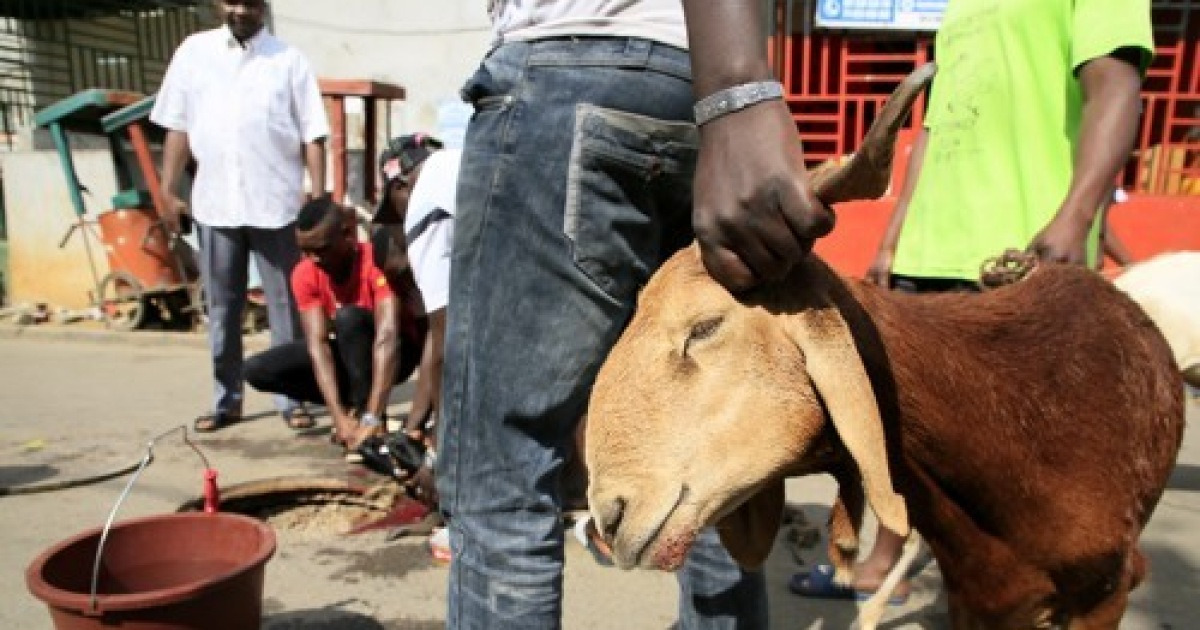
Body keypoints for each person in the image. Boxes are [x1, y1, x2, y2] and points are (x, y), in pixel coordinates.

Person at [436, 1, 832, 628]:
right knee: (710, 460)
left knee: (505, 476)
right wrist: (734, 88)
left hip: (567, 66)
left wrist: (739, 88)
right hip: (695, 82)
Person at [798, 0, 1153, 604]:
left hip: (1022, 251)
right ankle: (883, 565)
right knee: (902, 436)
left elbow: (1115, 88)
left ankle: (1008, 594)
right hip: (928, 251)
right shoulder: (959, 6)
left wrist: (1074, 219)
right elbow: (933, 133)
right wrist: (894, 240)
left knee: (1017, 462)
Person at [152, 0, 329, 433]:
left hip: (277, 205)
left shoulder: (288, 60)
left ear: (262, 6)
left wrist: (319, 197)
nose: (241, 10)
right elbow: (177, 127)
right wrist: (167, 191)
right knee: (222, 307)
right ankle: (226, 400)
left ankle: (292, 399)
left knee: (286, 307)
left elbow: (313, 133)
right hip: (216, 204)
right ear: (219, 3)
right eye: (232, 1)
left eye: (250, 2)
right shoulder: (194, 53)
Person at [243, 196, 427, 460]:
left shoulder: (377, 260)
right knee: (256, 369)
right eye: (305, 251)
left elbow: (388, 336)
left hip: (397, 353)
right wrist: (337, 415)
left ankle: (369, 420)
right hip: (351, 356)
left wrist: (373, 416)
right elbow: (318, 346)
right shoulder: (304, 273)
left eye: (321, 249)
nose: (313, 259)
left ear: (347, 234)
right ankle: (351, 415)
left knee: (348, 318)